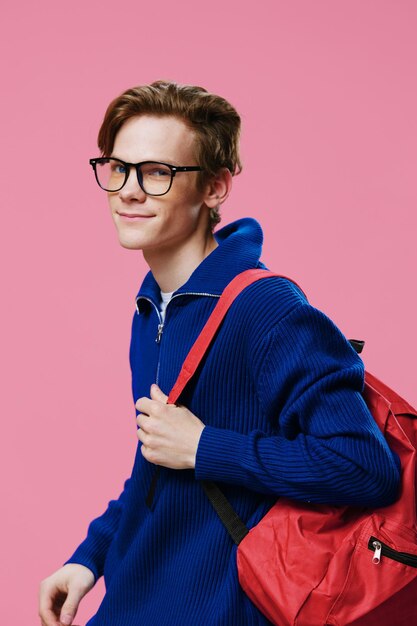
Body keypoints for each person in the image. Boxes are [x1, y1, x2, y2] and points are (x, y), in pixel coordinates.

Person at [38, 80, 400, 626]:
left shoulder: (265, 308)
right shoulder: (153, 307)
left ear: (214, 188)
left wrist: (207, 447)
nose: (128, 191)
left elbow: (366, 465)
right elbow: (157, 459)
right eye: (117, 168)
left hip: (218, 608)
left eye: (157, 172)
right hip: (135, 599)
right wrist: (91, 557)